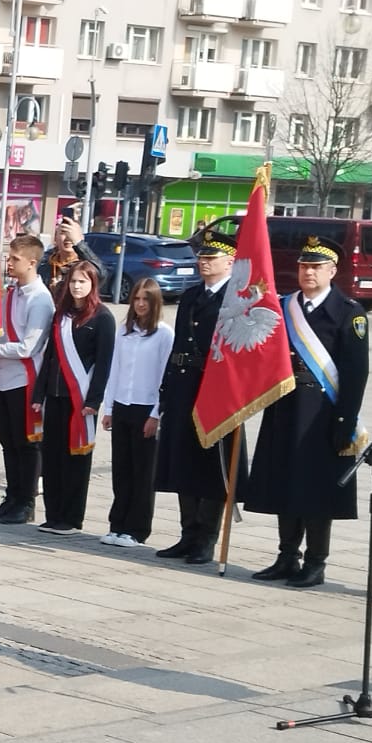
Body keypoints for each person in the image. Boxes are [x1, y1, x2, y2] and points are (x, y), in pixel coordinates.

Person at [244, 236, 369, 590]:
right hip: (285, 406)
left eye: (316, 267)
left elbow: (355, 373)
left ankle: (315, 562)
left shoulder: (349, 312)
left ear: (332, 271)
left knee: (316, 490)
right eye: (304, 266)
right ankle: (287, 556)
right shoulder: (285, 306)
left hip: (322, 413)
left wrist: (345, 421)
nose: (308, 272)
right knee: (285, 482)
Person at [154, 227, 246, 564]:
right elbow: (179, 344)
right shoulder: (192, 295)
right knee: (184, 462)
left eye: (212, 257)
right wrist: (167, 391)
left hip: (215, 390)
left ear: (230, 261)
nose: (203, 262)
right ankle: (188, 534)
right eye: (201, 256)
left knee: (211, 467)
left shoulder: (238, 300)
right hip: (184, 386)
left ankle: (206, 538)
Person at [34, 258, 114, 534]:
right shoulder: (61, 316)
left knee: (75, 460)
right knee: (52, 457)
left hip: (79, 401)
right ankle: (53, 514)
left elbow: (104, 364)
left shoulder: (103, 318)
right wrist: (39, 393)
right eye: (73, 282)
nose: (77, 286)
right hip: (55, 396)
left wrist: (94, 401)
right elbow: (50, 357)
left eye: (83, 281)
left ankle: (71, 518)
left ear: (93, 284)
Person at [0, 234, 51, 524]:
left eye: (15, 259)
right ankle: (11, 497)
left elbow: (27, 347)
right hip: (4, 378)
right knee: (7, 441)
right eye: (8, 258)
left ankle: (26, 501)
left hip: (24, 380)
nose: (8, 263)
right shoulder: (11, 293)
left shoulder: (40, 299)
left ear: (32, 262)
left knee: (26, 444)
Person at [101, 280, 173, 548]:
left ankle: (136, 529)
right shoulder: (123, 332)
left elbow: (164, 377)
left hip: (146, 408)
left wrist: (156, 414)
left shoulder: (164, 334)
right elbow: (114, 371)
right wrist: (109, 408)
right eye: (137, 299)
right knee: (121, 469)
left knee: (143, 472)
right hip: (123, 404)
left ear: (155, 303)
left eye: (146, 299)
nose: (141, 304)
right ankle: (117, 524)